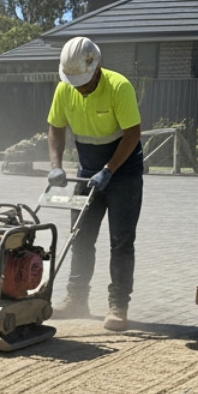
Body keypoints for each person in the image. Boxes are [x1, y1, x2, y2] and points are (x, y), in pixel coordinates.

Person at [45, 35, 145, 332]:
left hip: (122, 173)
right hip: (87, 172)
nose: (79, 87)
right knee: (80, 237)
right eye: (74, 82)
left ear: (96, 68)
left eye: (84, 81)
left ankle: (118, 306)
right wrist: (55, 166)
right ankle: (76, 299)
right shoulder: (65, 88)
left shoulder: (119, 87)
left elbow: (132, 134)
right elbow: (55, 127)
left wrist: (109, 170)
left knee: (121, 241)